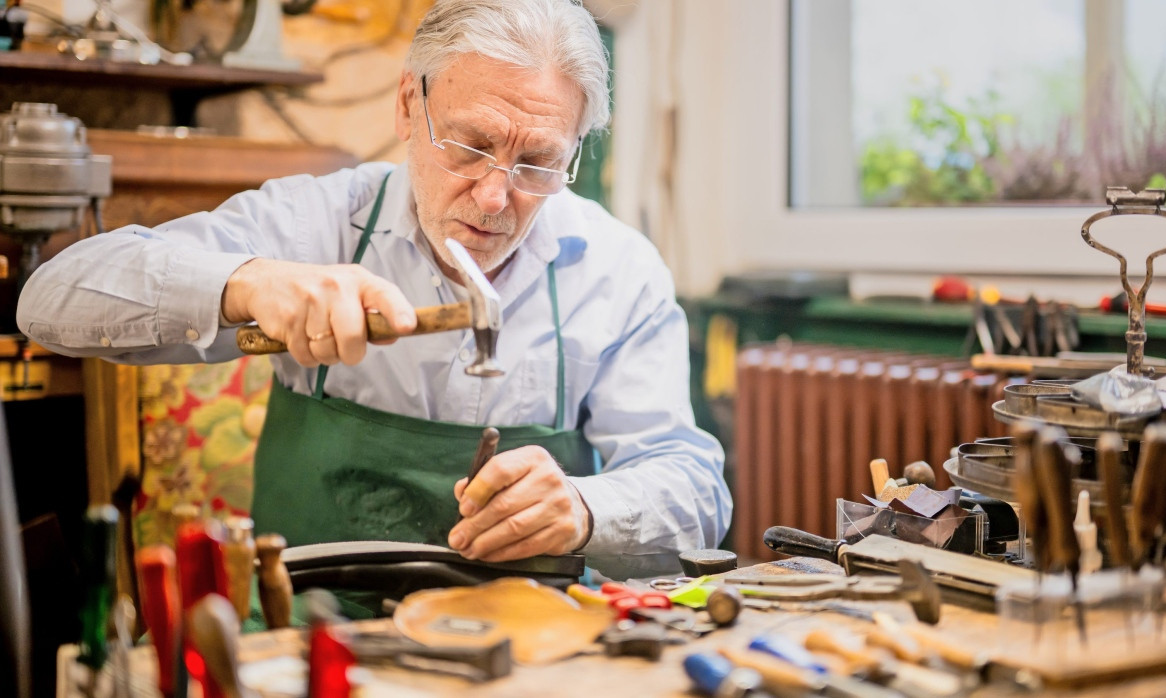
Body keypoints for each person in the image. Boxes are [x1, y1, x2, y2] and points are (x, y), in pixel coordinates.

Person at [16, 0, 729, 581]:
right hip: (309, 622)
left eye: (538, 162)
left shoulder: (615, 267)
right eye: (470, 144)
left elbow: (696, 490)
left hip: (526, 637)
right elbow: (48, 301)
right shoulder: (315, 221)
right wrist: (246, 283)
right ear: (406, 108)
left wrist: (587, 506)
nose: (493, 195)